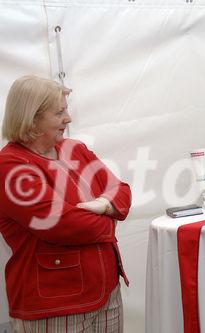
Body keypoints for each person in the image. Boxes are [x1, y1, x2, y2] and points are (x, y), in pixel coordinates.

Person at [0, 75, 132, 332]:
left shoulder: (75, 149)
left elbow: (122, 191)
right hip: (54, 305)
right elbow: (63, 224)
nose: (68, 118)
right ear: (32, 118)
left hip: (106, 296)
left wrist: (104, 204)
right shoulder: (10, 166)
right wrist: (111, 216)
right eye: (59, 112)